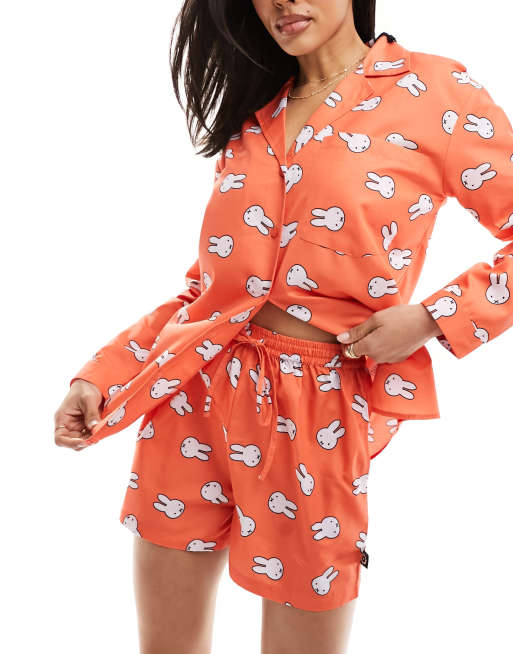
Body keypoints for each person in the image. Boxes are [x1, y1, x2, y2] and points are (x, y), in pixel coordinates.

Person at [54, 1, 513, 652]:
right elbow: (209, 294)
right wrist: (101, 375)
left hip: (318, 410)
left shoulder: (436, 92)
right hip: (192, 401)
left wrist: (431, 318)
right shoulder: (256, 115)